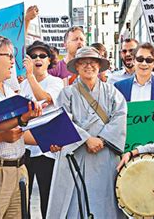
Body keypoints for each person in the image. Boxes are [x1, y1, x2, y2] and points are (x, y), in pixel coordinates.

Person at [47, 47, 127, 218]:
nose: (88, 66)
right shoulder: (66, 93)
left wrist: (102, 139)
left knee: (105, 202)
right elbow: (62, 121)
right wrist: (86, 139)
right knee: (76, 203)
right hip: (76, 154)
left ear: (99, 66)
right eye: (83, 62)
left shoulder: (112, 92)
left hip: (104, 155)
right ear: (76, 67)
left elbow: (120, 117)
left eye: (93, 62)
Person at [0, 34, 43, 219]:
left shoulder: (11, 91)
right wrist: (1, 136)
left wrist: (49, 141)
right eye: (9, 56)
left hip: (19, 170)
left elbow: (18, 134)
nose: (14, 61)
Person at [20, 40, 63, 218]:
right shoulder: (22, 85)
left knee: (48, 198)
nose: (38, 59)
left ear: (49, 60)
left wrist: (30, 76)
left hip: (47, 148)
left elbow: (44, 99)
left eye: (42, 56)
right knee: (24, 198)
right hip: (26, 147)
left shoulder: (56, 82)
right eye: (34, 56)